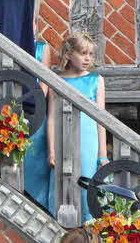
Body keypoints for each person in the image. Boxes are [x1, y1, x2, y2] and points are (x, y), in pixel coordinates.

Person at [47, 32, 108, 223]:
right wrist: (51, 151)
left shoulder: (95, 80)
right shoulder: (56, 80)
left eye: (90, 54)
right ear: (68, 54)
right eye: (82, 53)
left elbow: (101, 120)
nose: (87, 58)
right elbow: (51, 118)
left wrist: (103, 155)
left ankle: (89, 228)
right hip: (63, 138)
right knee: (63, 184)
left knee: (87, 184)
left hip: (89, 141)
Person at [23, 32, 53, 210]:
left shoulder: (43, 48)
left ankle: (39, 205)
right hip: (14, 108)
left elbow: (44, 81)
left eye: (33, 23)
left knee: (37, 164)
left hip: (36, 112)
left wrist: (34, 105)